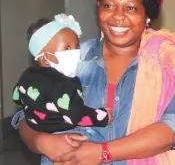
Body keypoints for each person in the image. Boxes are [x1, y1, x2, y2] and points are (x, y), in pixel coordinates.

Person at [11, 0, 175, 165]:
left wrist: (103, 152)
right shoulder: (75, 57)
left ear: (147, 15)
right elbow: (27, 114)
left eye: (130, 8)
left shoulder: (165, 61)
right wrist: (42, 141)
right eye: (109, 5)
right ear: (99, 9)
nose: (118, 16)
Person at [12, 14, 111, 164]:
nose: (75, 53)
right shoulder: (64, 85)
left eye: (77, 47)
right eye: (67, 48)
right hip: (66, 145)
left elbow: (16, 97)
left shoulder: (27, 75)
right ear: (45, 57)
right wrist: (102, 116)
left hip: (44, 137)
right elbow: (75, 114)